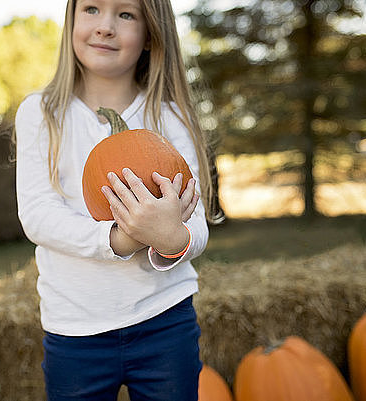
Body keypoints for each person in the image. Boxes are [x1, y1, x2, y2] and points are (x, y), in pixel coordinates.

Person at [14, 0, 216, 399]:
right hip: (75, 327)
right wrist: (119, 240)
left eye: (125, 15)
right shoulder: (41, 113)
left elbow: (195, 225)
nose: (105, 26)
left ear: (149, 35)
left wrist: (170, 237)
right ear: (71, 19)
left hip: (165, 322)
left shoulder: (171, 117)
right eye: (91, 8)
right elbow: (38, 215)